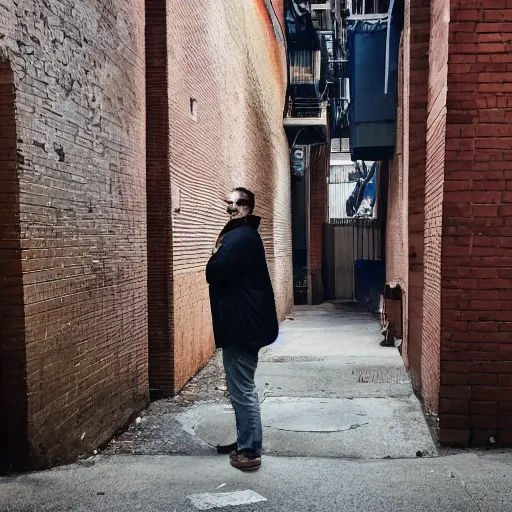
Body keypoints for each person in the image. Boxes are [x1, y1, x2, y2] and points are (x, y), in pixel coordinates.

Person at [206, 187, 279, 470]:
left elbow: (213, 272)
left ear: (248, 207)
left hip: (242, 325)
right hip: (243, 323)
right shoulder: (242, 235)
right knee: (239, 388)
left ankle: (250, 451)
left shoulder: (241, 237)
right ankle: (244, 439)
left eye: (237, 203)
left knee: (242, 388)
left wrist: (214, 255)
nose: (231, 207)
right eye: (228, 203)